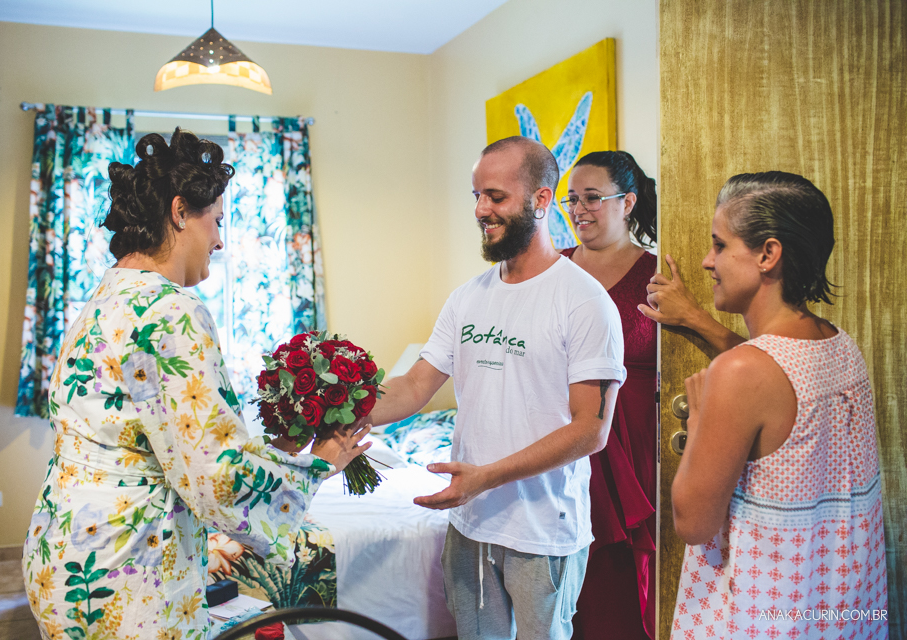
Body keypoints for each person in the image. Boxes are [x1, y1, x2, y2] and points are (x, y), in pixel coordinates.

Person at [21, 129, 370, 640]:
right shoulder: (170, 310)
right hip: (124, 567)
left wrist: (276, 450)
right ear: (181, 211)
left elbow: (173, 441)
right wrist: (317, 464)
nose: (221, 240)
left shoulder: (105, 296)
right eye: (218, 222)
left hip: (62, 549)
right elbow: (216, 476)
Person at [365, 136, 627, 640]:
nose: (482, 209)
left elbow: (591, 431)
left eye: (496, 196)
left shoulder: (583, 301)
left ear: (542, 199)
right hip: (469, 526)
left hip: (543, 532)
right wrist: (338, 408)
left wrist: (487, 476)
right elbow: (415, 385)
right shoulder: (467, 298)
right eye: (476, 197)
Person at [669, 172, 888, 639]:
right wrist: (696, 319)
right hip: (832, 606)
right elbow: (769, 379)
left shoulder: (742, 373)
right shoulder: (838, 344)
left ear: (768, 254)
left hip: (759, 614)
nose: (708, 262)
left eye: (720, 245)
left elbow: (692, 522)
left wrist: (704, 415)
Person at [558, 151, 657, 640]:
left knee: (620, 575)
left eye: (593, 198)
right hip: (562, 429)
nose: (579, 209)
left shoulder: (657, 275)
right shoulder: (550, 268)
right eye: (572, 199)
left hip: (635, 439)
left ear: (628, 202)